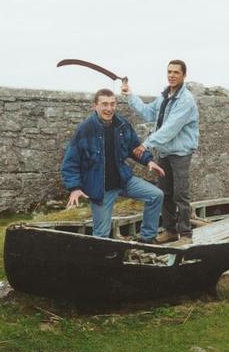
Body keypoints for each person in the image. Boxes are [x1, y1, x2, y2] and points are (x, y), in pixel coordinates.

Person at [61, 88, 166, 243]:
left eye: (112, 104)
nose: (109, 109)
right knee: (101, 236)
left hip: (123, 179)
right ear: (95, 106)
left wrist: (148, 160)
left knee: (156, 195)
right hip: (101, 188)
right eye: (104, 104)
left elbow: (134, 147)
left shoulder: (122, 124)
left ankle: (148, 239)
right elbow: (70, 163)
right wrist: (75, 188)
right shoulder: (85, 130)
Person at [121, 59, 199, 243]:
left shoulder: (185, 100)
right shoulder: (165, 96)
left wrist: (146, 144)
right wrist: (130, 95)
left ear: (184, 76)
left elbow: (170, 128)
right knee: (165, 193)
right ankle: (170, 231)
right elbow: (148, 113)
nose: (172, 75)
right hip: (164, 152)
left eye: (176, 73)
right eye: (169, 72)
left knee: (181, 194)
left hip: (180, 153)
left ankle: (186, 234)